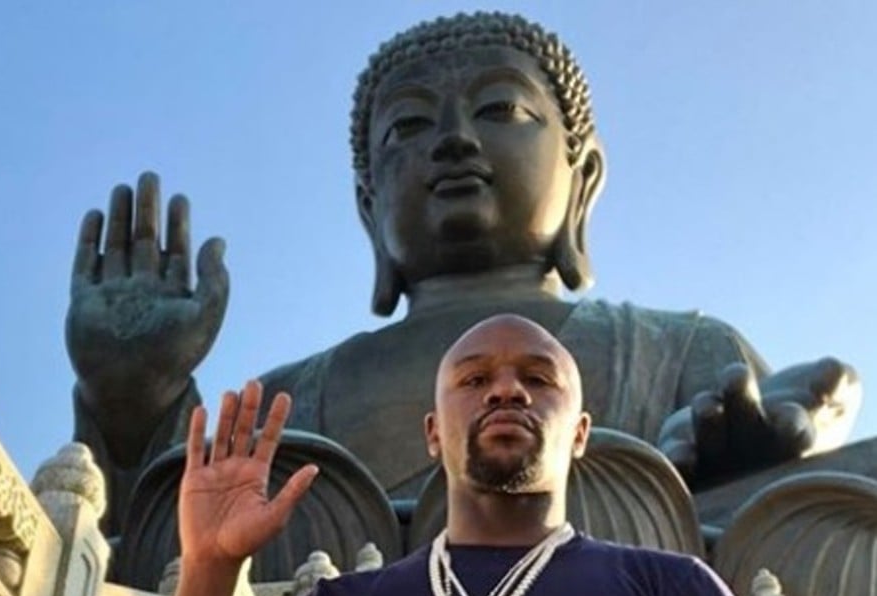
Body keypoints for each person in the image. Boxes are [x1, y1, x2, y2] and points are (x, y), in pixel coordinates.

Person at [66, 12, 859, 545]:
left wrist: (753, 458)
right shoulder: (290, 398)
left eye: (500, 110)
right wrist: (137, 405)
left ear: (583, 178)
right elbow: (145, 565)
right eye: (409, 126)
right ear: (367, 203)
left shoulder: (678, 347)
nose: (450, 141)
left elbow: (790, 464)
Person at [153, 314, 767, 596]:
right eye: (474, 380)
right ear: (431, 432)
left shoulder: (670, 591)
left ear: (581, 434)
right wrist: (209, 567)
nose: (506, 391)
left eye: (537, 378)